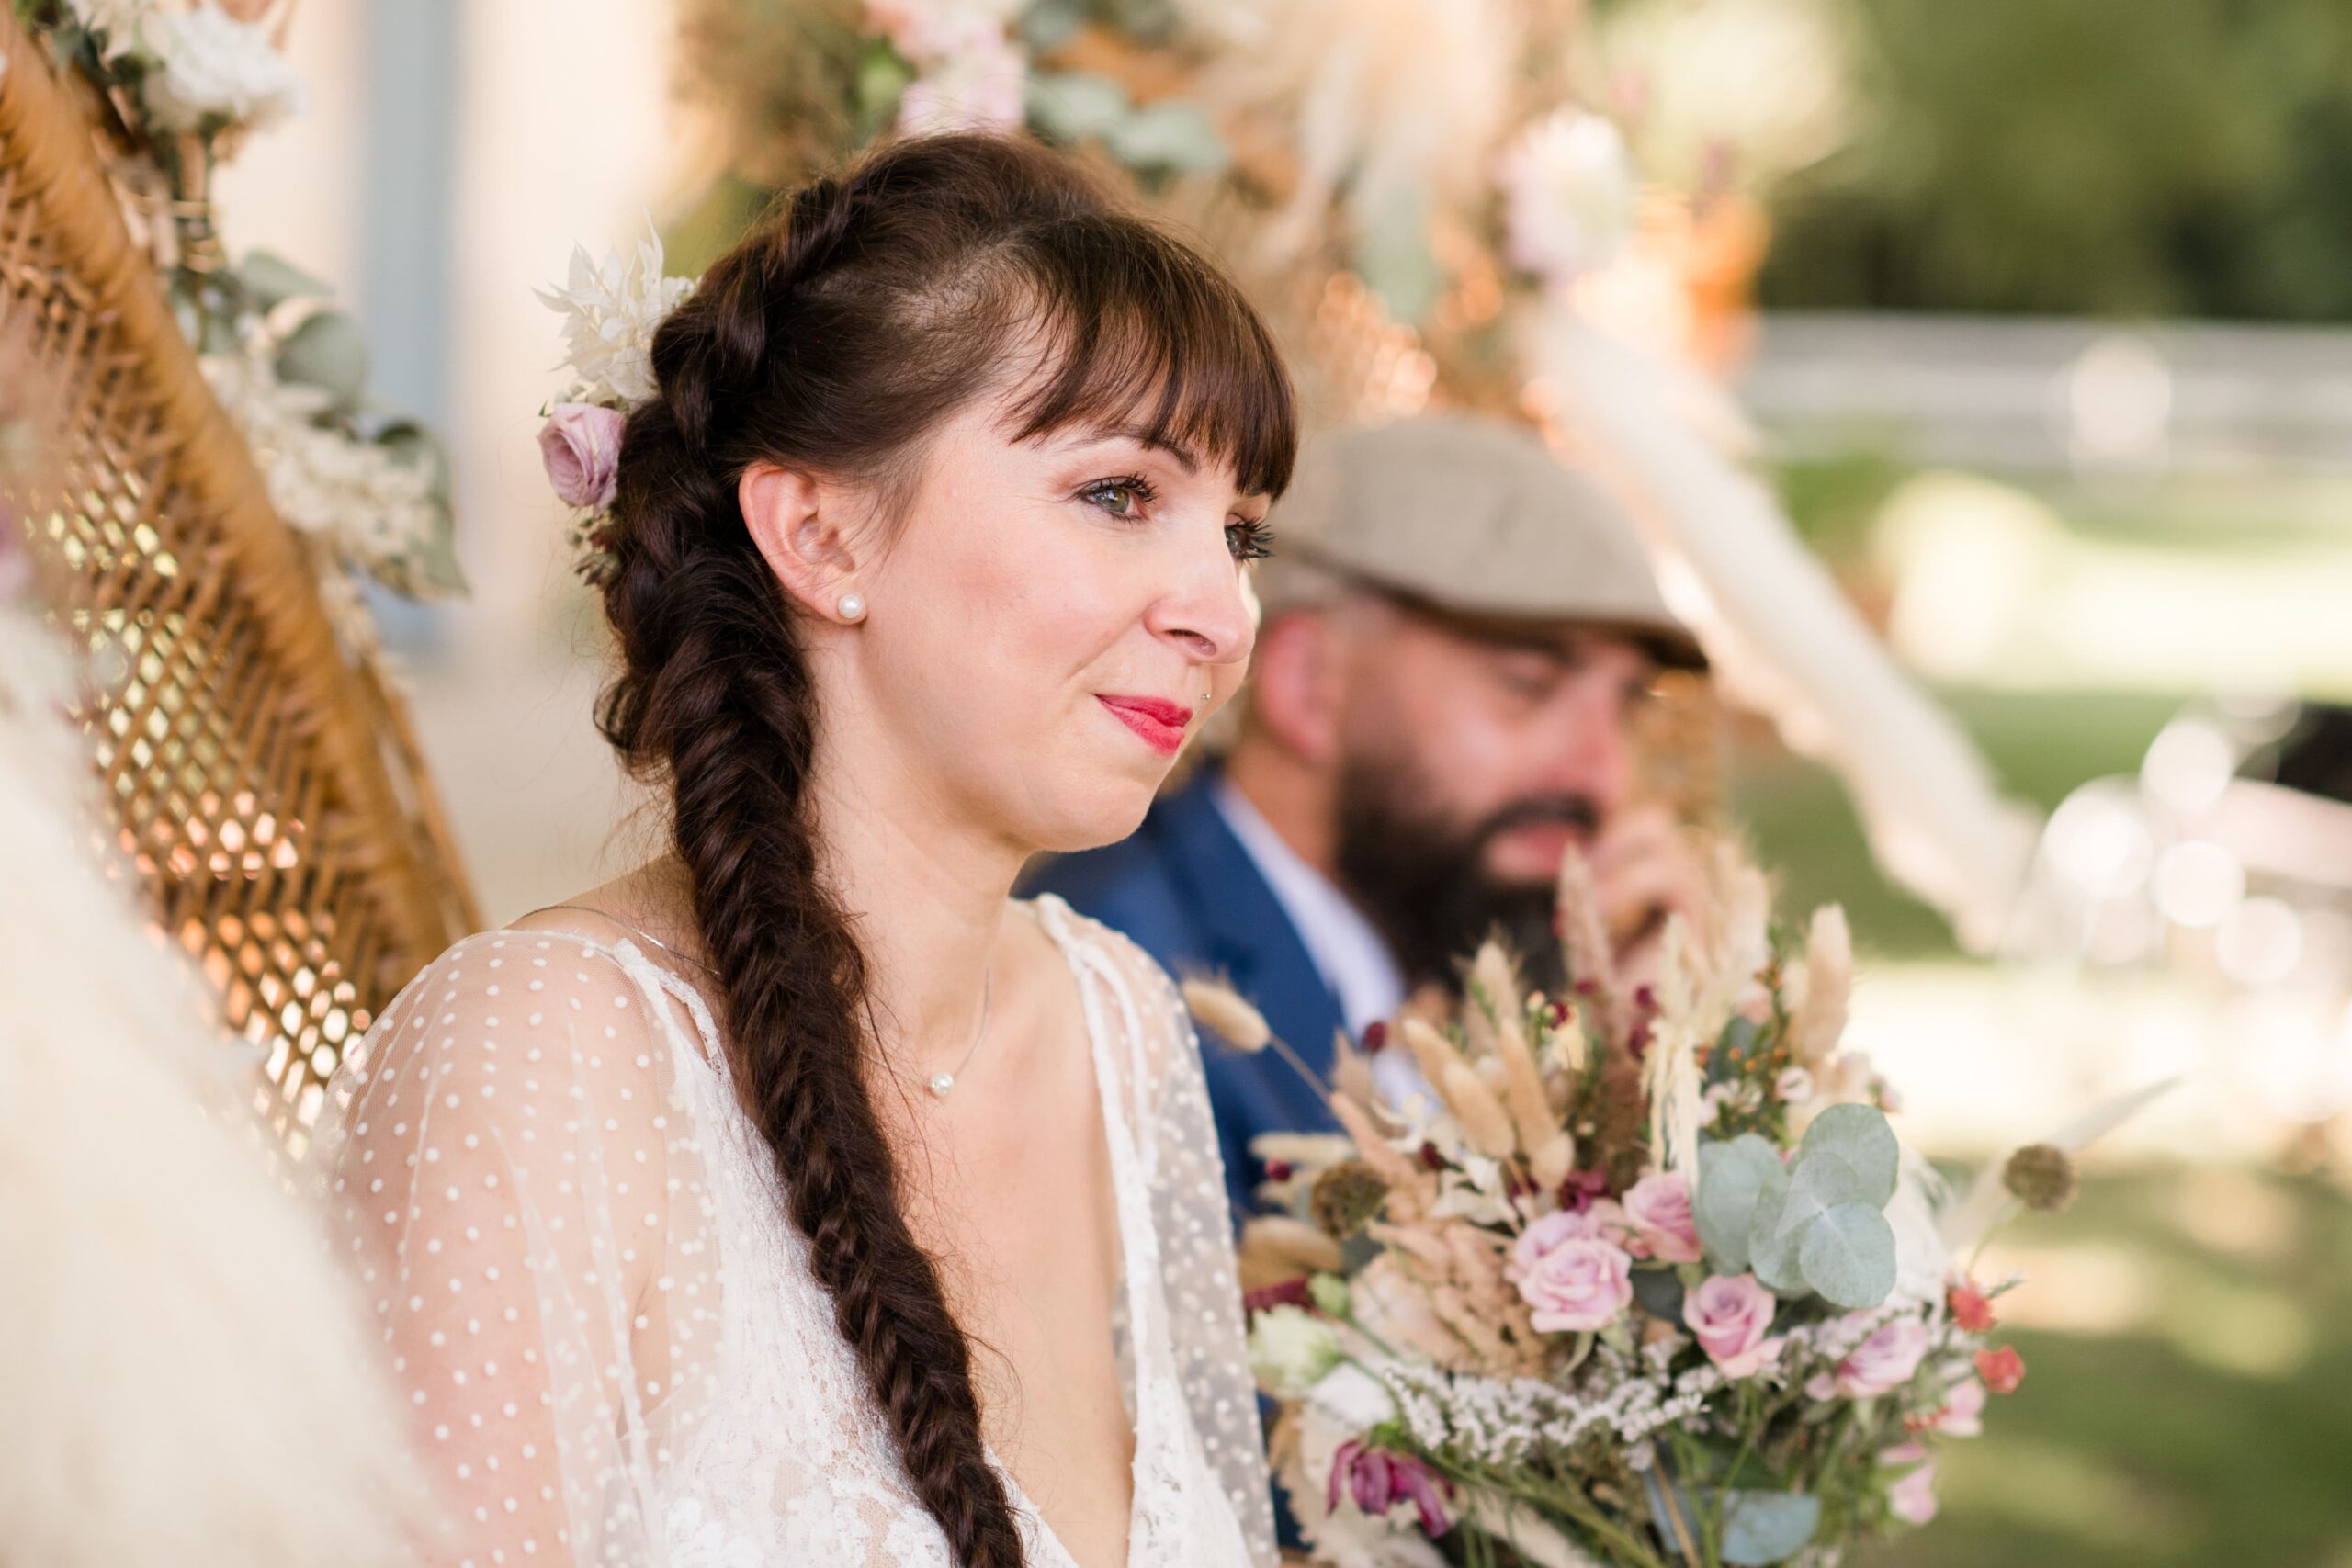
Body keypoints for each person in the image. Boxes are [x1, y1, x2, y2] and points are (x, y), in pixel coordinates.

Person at [311, 133, 1296, 1568]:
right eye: (1120, 494)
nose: (1221, 610)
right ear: (823, 533)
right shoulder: (539, 1059)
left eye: (1244, 536)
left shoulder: (1120, 1028)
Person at [1029, 414, 1708, 1218]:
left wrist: (1638, 1096)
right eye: (1528, 683)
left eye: (1630, 704)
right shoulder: (1117, 990)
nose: (1606, 773)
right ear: (1311, 683)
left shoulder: (1437, 948)